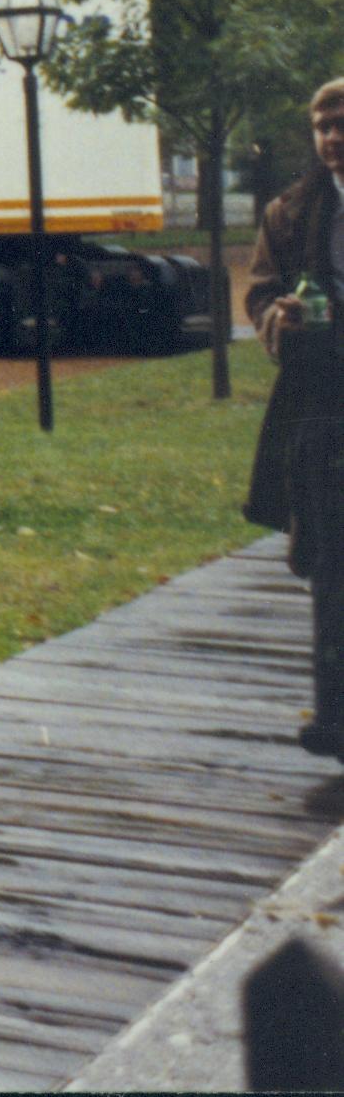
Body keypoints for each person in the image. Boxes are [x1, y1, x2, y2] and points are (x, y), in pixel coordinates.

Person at [248, 77, 344, 758]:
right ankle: (335, 721)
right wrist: (274, 318)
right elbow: (257, 290)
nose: (333, 136)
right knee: (331, 568)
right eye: (323, 125)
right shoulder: (287, 214)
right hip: (319, 407)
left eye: (343, 124)